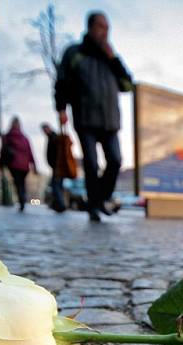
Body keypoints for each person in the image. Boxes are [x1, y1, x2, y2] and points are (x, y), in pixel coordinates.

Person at [54, 10, 133, 222]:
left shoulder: (111, 57)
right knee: (91, 162)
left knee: (115, 160)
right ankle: (93, 207)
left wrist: (114, 59)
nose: (104, 32)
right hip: (85, 116)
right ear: (90, 27)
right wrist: (61, 108)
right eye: (100, 26)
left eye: (107, 28)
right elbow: (62, 83)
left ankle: (100, 199)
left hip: (110, 120)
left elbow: (127, 85)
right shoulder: (74, 53)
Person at [1, 117, 37, 212]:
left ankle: (21, 199)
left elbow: (3, 151)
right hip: (25, 166)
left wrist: (1, 163)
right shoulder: (24, 138)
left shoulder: (8, 136)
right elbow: (30, 152)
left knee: (18, 183)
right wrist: (34, 165)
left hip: (14, 164)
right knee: (22, 183)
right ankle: (22, 198)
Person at [41, 123, 66, 212]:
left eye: (44, 130)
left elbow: (57, 153)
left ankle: (60, 204)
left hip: (57, 166)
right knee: (57, 185)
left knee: (56, 185)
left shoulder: (54, 137)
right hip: (57, 166)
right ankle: (57, 204)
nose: (44, 132)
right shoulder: (52, 137)